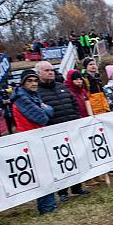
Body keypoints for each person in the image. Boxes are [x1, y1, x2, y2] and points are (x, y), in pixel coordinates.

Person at [35, 61, 89, 202]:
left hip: (71, 130)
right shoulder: (37, 93)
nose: (50, 72)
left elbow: (74, 104)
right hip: (53, 133)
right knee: (60, 162)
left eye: (52, 70)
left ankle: (77, 187)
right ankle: (63, 192)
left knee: (75, 158)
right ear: (39, 73)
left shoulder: (62, 87)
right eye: (46, 70)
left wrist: (76, 120)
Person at [11, 70, 57, 214]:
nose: (34, 83)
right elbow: (42, 118)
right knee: (43, 174)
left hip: (37, 138)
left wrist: (45, 109)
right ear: (23, 83)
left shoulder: (33, 96)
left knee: (45, 172)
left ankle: (47, 206)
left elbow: (50, 110)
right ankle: (47, 207)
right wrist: (45, 109)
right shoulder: (21, 99)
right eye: (29, 81)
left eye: (35, 81)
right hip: (30, 141)